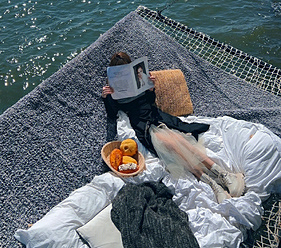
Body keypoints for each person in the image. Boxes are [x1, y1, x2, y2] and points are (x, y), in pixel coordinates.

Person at [102, 51, 245, 203]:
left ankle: (221, 175)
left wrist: (151, 88)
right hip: (140, 121)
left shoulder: (140, 76)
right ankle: (215, 182)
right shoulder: (112, 86)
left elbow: (150, 100)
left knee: (175, 140)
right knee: (171, 144)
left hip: (154, 114)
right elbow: (112, 114)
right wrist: (107, 97)